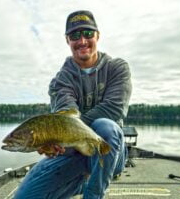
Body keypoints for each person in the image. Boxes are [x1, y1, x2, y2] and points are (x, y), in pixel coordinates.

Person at [14, 10, 132, 199]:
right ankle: (81, 181)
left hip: (108, 151)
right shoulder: (60, 80)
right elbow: (65, 112)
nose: (82, 41)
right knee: (25, 197)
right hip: (73, 153)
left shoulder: (117, 68)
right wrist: (51, 142)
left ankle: (93, 193)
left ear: (98, 36)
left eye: (88, 33)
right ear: (67, 40)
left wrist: (64, 131)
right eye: (75, 35)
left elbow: (114, 108)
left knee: (106, 127)